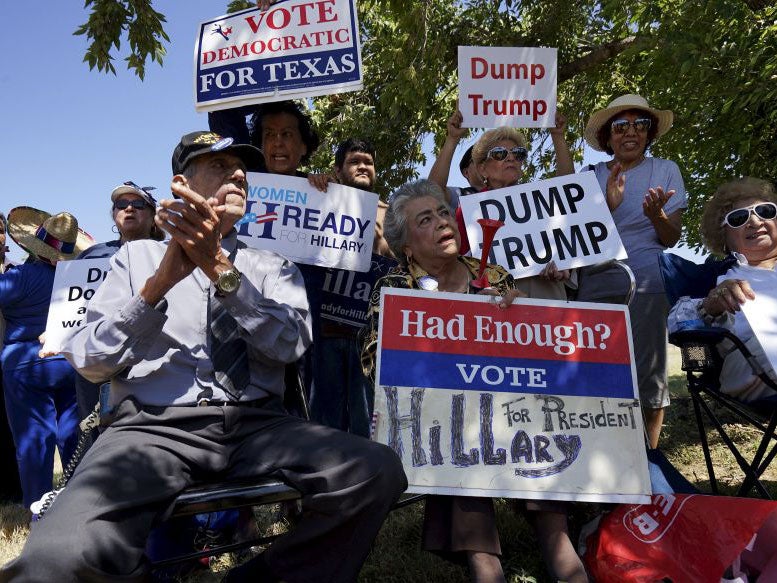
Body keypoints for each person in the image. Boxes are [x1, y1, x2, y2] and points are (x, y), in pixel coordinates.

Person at [0, 131, 406, 583]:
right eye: (219, 166)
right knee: (51, 559)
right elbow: (91, 361)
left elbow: (291, 345)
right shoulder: (135, 258)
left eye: (241, 170)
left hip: (259, 424)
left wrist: (221, 269)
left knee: (376, 472)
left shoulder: (272, 265)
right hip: (152, 427)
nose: (237, 174)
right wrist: (156, 287)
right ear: (182, 184)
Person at [360, 179, 524, 583]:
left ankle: (559, 544)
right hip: (446, 421)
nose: (442, 222)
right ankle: (483, 558)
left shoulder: (495, 276)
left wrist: (518, 317)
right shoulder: (394, 289)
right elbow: (372, 363)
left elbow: (528, 353)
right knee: (458, 436)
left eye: (444, 213)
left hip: (510, 411)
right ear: (407, 247)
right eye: (426, 219)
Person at [583, 94, 686, 448]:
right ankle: (604, 459)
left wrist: (657, 215)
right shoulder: (591, 176)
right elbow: (580, 237)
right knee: (596, 375)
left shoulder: (666, 170)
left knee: (648, 376)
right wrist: (607, 207)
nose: (631, 132)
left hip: (648, 281)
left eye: (640, 124)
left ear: (649, 133)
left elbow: (671, 238)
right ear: (607, 138)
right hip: (596, 284)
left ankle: (649, 465)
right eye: (620, 125)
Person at [0, 208, 93, 509]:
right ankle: (75, 503)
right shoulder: (80, 281)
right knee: (72, 433)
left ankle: (37, 505)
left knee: (34, 439)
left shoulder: (21, 277)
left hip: (25, 363)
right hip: (68, 361)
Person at [306, 138, 395, 437]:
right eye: (354, 161)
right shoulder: (317, 198)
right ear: (337, 169)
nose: (363, 167)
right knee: (323, 424)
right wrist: (313, 187)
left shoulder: (392, 213)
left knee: (366, 424)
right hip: (326, 331)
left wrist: (380, 241)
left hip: (367, 337)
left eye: (368, 163)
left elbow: (406, 262)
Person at [668, 177, 777, 404]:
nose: (755, 222)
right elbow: (677, 324)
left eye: (765, 211)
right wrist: (710, 304)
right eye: (739, 218)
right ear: (724, 236)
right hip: (753, 364)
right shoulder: (718, 276)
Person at [74, 181, 164, 443]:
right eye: (121, 205)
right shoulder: (91, 256)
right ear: (114, 214)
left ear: (153, 216)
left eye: (138, 204)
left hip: (149, 360)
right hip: (98, 362)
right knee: (94, 436)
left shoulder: (169, 254)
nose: (129, 209)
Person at [469, 122, 577, 299]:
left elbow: (566, 189)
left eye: (517, 154)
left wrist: (565, 262)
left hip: (548, 300)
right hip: (495, 304)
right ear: (482, 169)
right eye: (499, 154)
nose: (510, 158)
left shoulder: (541, 200)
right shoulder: (469, 211)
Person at [0, 212, 23, 503]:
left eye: (0, 230)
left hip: (10, 363)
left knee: (11, 428)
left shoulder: (18, 273)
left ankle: (15, 491)